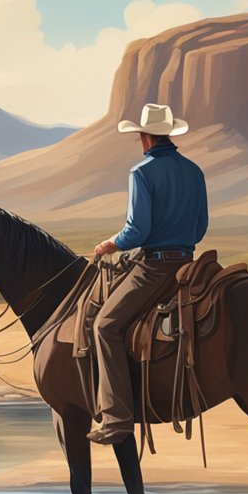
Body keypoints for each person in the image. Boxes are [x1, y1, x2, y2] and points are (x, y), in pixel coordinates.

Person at [86, 103, 209, 444]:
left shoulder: (141, 173)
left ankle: (117, 419)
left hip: (155, 267)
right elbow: (200, 229)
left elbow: (136, 232)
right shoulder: (194, 171)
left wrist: (110, 245)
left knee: (105, 326)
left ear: (144, 137)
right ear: (167, 133)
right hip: (189, 264)